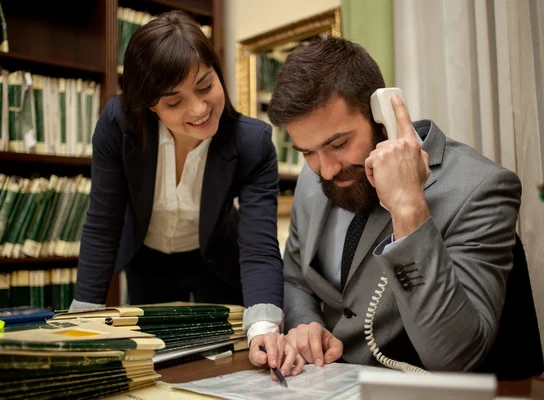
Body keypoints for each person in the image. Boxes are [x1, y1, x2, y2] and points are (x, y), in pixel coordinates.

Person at [69, 10, 303, 377]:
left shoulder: (252, 142)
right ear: (148, 104)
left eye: (205, 86)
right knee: (155, 366)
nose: (198, 109)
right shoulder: (118, 126)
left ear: (217, 72)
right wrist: (83, 318)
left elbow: (258, 245)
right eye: (174, 102)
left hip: (216, 261)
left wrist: (264, 327)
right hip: (147, 258)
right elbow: (103, 223)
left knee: (227, 364)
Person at [267, 37, 522, 371]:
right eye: (308, 152)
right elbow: (297, 280)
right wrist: (305, 324)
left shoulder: (481, 189)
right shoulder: (311, 179)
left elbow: (455, 357)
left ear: (381, 116)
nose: (325, 169)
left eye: (340, 144)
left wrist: (408, 210)